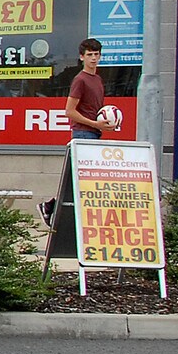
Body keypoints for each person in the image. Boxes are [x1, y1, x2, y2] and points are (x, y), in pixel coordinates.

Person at [40, 38, 118, 228]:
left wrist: (106, 122)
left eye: (96, 55)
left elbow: (96, 109)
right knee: (84, 178)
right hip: (83, 133)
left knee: (86, 179)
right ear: (81, 57)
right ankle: (53, 209)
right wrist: (94, 123)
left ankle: (52, 207)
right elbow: (70, 111)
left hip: (95, 133)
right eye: (89, 55)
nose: (93, 59)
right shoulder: (80, 80)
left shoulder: (98, 79)